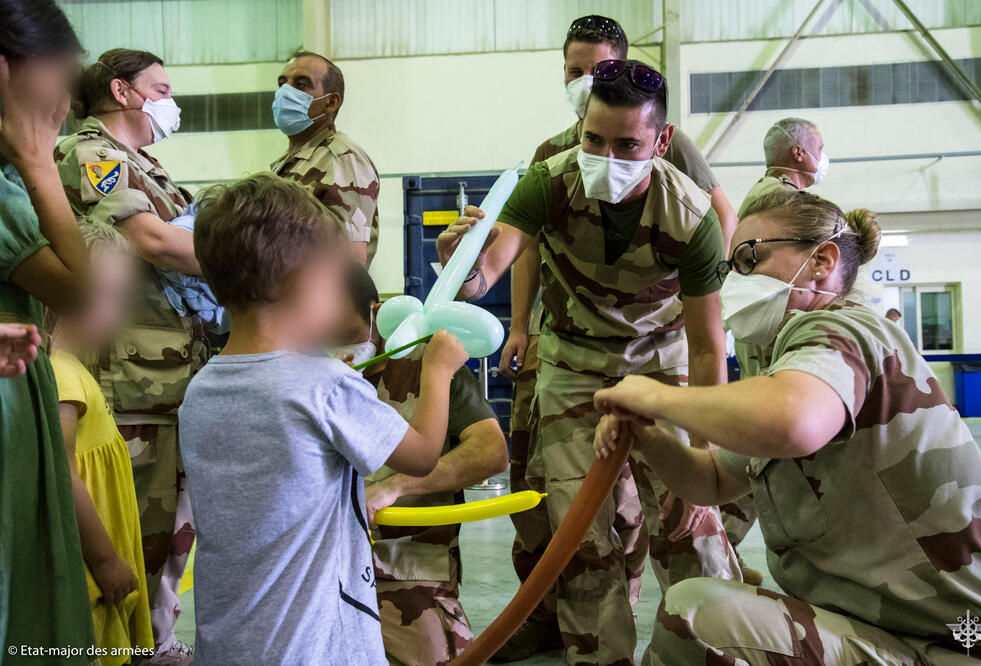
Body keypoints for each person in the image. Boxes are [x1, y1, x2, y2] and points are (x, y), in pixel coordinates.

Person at [593, 188, 981, 665]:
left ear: (822, 261)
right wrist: (647, 433)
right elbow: (712, 480)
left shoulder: (843, 331)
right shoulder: (791, 367)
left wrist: (656, 395)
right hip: (887, 629)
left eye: (750, 258)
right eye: (732, 267)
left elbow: (793, 422)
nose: (736, 281)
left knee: (698, 612)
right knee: (705, 604)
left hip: (962, 642)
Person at [436, 60, 739, 664]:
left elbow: (707, 345)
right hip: (575, 365)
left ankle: (716, 651)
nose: (606, 155)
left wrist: (705, 449)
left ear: (661, 140)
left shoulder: (692, 217)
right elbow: (484, 275)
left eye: (627, 144)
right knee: (581, 534)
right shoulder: (548, 182)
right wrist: (462, 261)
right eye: (593, 139)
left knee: (689, 528)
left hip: (662, 366)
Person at [179, 172, 469, 665]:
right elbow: (420, 456)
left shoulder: (201, 388)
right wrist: (437, 370)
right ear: (301, 283)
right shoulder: (324, 385)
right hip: (318, 645)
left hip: (231, 641)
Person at [54, 48, 206, 664]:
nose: (171, 100)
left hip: (167, 378)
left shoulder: (145, 164)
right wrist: (255, 257)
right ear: (123, 92)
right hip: (126, 382)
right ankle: (129, 650)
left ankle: (155, 643)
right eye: (161, 87)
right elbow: (153, 242)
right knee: (131, 540)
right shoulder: (91, 155)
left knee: (168, 539)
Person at [335, 264, 508, 664]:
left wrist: (395, 487)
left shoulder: (429, 365)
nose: (336, 345)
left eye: (346, 333)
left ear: (375, 313)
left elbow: (491, 451)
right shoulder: (311, 372)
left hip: (406, 564)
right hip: (326, 563)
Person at [0, 0, 94, 660]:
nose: (65, 94)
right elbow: (79, 289)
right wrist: (37, 161)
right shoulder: (11, 185)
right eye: (56, 72)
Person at [721, 116, 831, 555]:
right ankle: (713, 548)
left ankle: (717, 550)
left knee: (766, 452)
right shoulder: (780, 201)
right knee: (766, 452)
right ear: (800, 153)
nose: (824, 158)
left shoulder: (771, 197)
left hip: (769, 338)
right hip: (773, 342)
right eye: (820, 148)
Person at [50, 222, 155, 666]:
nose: (116, 313)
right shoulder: (59, 373)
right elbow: (63, 472)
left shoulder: (68, 365)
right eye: (106, 295)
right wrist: (106, 558)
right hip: (89, 561)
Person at [271, 50, 380, 266]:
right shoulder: (292, 160)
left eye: (301, 85)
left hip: (323, 297)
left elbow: (353, 254)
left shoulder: (341, 158)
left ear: (330, 102)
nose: (285, 92)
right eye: (282, 83)